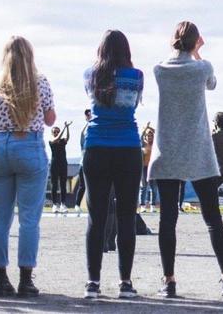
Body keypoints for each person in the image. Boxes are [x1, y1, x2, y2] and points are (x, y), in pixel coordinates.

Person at [148, 21, 223, 299]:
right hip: (199, 150)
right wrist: (199, 53)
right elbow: (212, 85)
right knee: (212, 218)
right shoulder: (203, 67)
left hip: (168, 151)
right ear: (196, 40)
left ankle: (169, 280)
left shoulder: (159, 70)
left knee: (168, 220)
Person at [0, 36, 56, 297]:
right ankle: (26, 278)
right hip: (29, 143)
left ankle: (0, 277)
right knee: (29, 219)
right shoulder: (40, 82)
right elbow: (50, 120)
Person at [81, 30, 144, 300]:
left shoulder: (90, 75)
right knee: (126, 216)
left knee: (96, 217)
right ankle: (125, 282)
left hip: (96, 146)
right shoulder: (137, 76)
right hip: (128, 147)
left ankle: (93, 283)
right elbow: (133, 105)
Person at [49, 122, 71, 213]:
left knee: (63, 185)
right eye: (55, 132)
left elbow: (67, 138)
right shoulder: (51, 140)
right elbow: (56, 139)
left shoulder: (62, 141)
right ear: (52, 133)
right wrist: (64, 128)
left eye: (58, 131)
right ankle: (54, 205)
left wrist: (67, 128)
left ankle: (63, 204)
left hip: (63, 164)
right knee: (54, 185)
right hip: (54, 165)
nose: (57, 133)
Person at [74, 109, 93, 213]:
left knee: (94, 186)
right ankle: (77, 204)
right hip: (83, 163)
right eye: (87, 115)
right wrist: (88, 122)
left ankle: (93, 206)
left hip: (95, 162)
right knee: (83, 185)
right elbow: (82, 133)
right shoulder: (84, 132)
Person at [140, 124, 157, 212]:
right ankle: (143, 205)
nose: (149, 137)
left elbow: (157, 134)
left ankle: (152, 205)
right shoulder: (143, 144)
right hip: (144, 168)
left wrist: (151, 129)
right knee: (144, 187)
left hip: (153, 168)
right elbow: (141, 135)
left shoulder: (155, 145)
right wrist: (146, 128)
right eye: (148, 135)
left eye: (151, 135)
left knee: (154, 187)